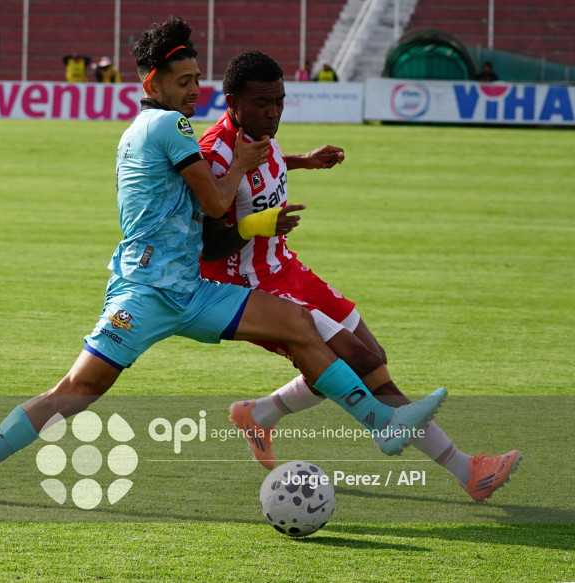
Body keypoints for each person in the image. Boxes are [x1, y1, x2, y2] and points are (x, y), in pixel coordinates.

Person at [0, 17, 446, 505]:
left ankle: (381, 423)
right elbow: (216, 202)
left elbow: (200, 186)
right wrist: (240, 165)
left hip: (191, 291)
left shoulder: (144, 127)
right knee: (77, 390)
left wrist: (292, 161)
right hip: (145, 293)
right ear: (153, 84)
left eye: (197, 79)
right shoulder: (170, 126)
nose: (195, 90)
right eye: (183, 81)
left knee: (297, 323)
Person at [198, 49, 520, 503]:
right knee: (360, 362)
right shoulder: (213, 155)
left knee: (373, 355)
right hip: (252, 286)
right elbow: (208, 246)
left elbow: (264, 161)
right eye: (262, 103)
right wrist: (257, 225)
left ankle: (260, 414)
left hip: (286, 268)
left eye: (280, 101)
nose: (273, 113)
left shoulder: (258, 134)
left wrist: (303, 160)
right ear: (232, 102)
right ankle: (467, 470)